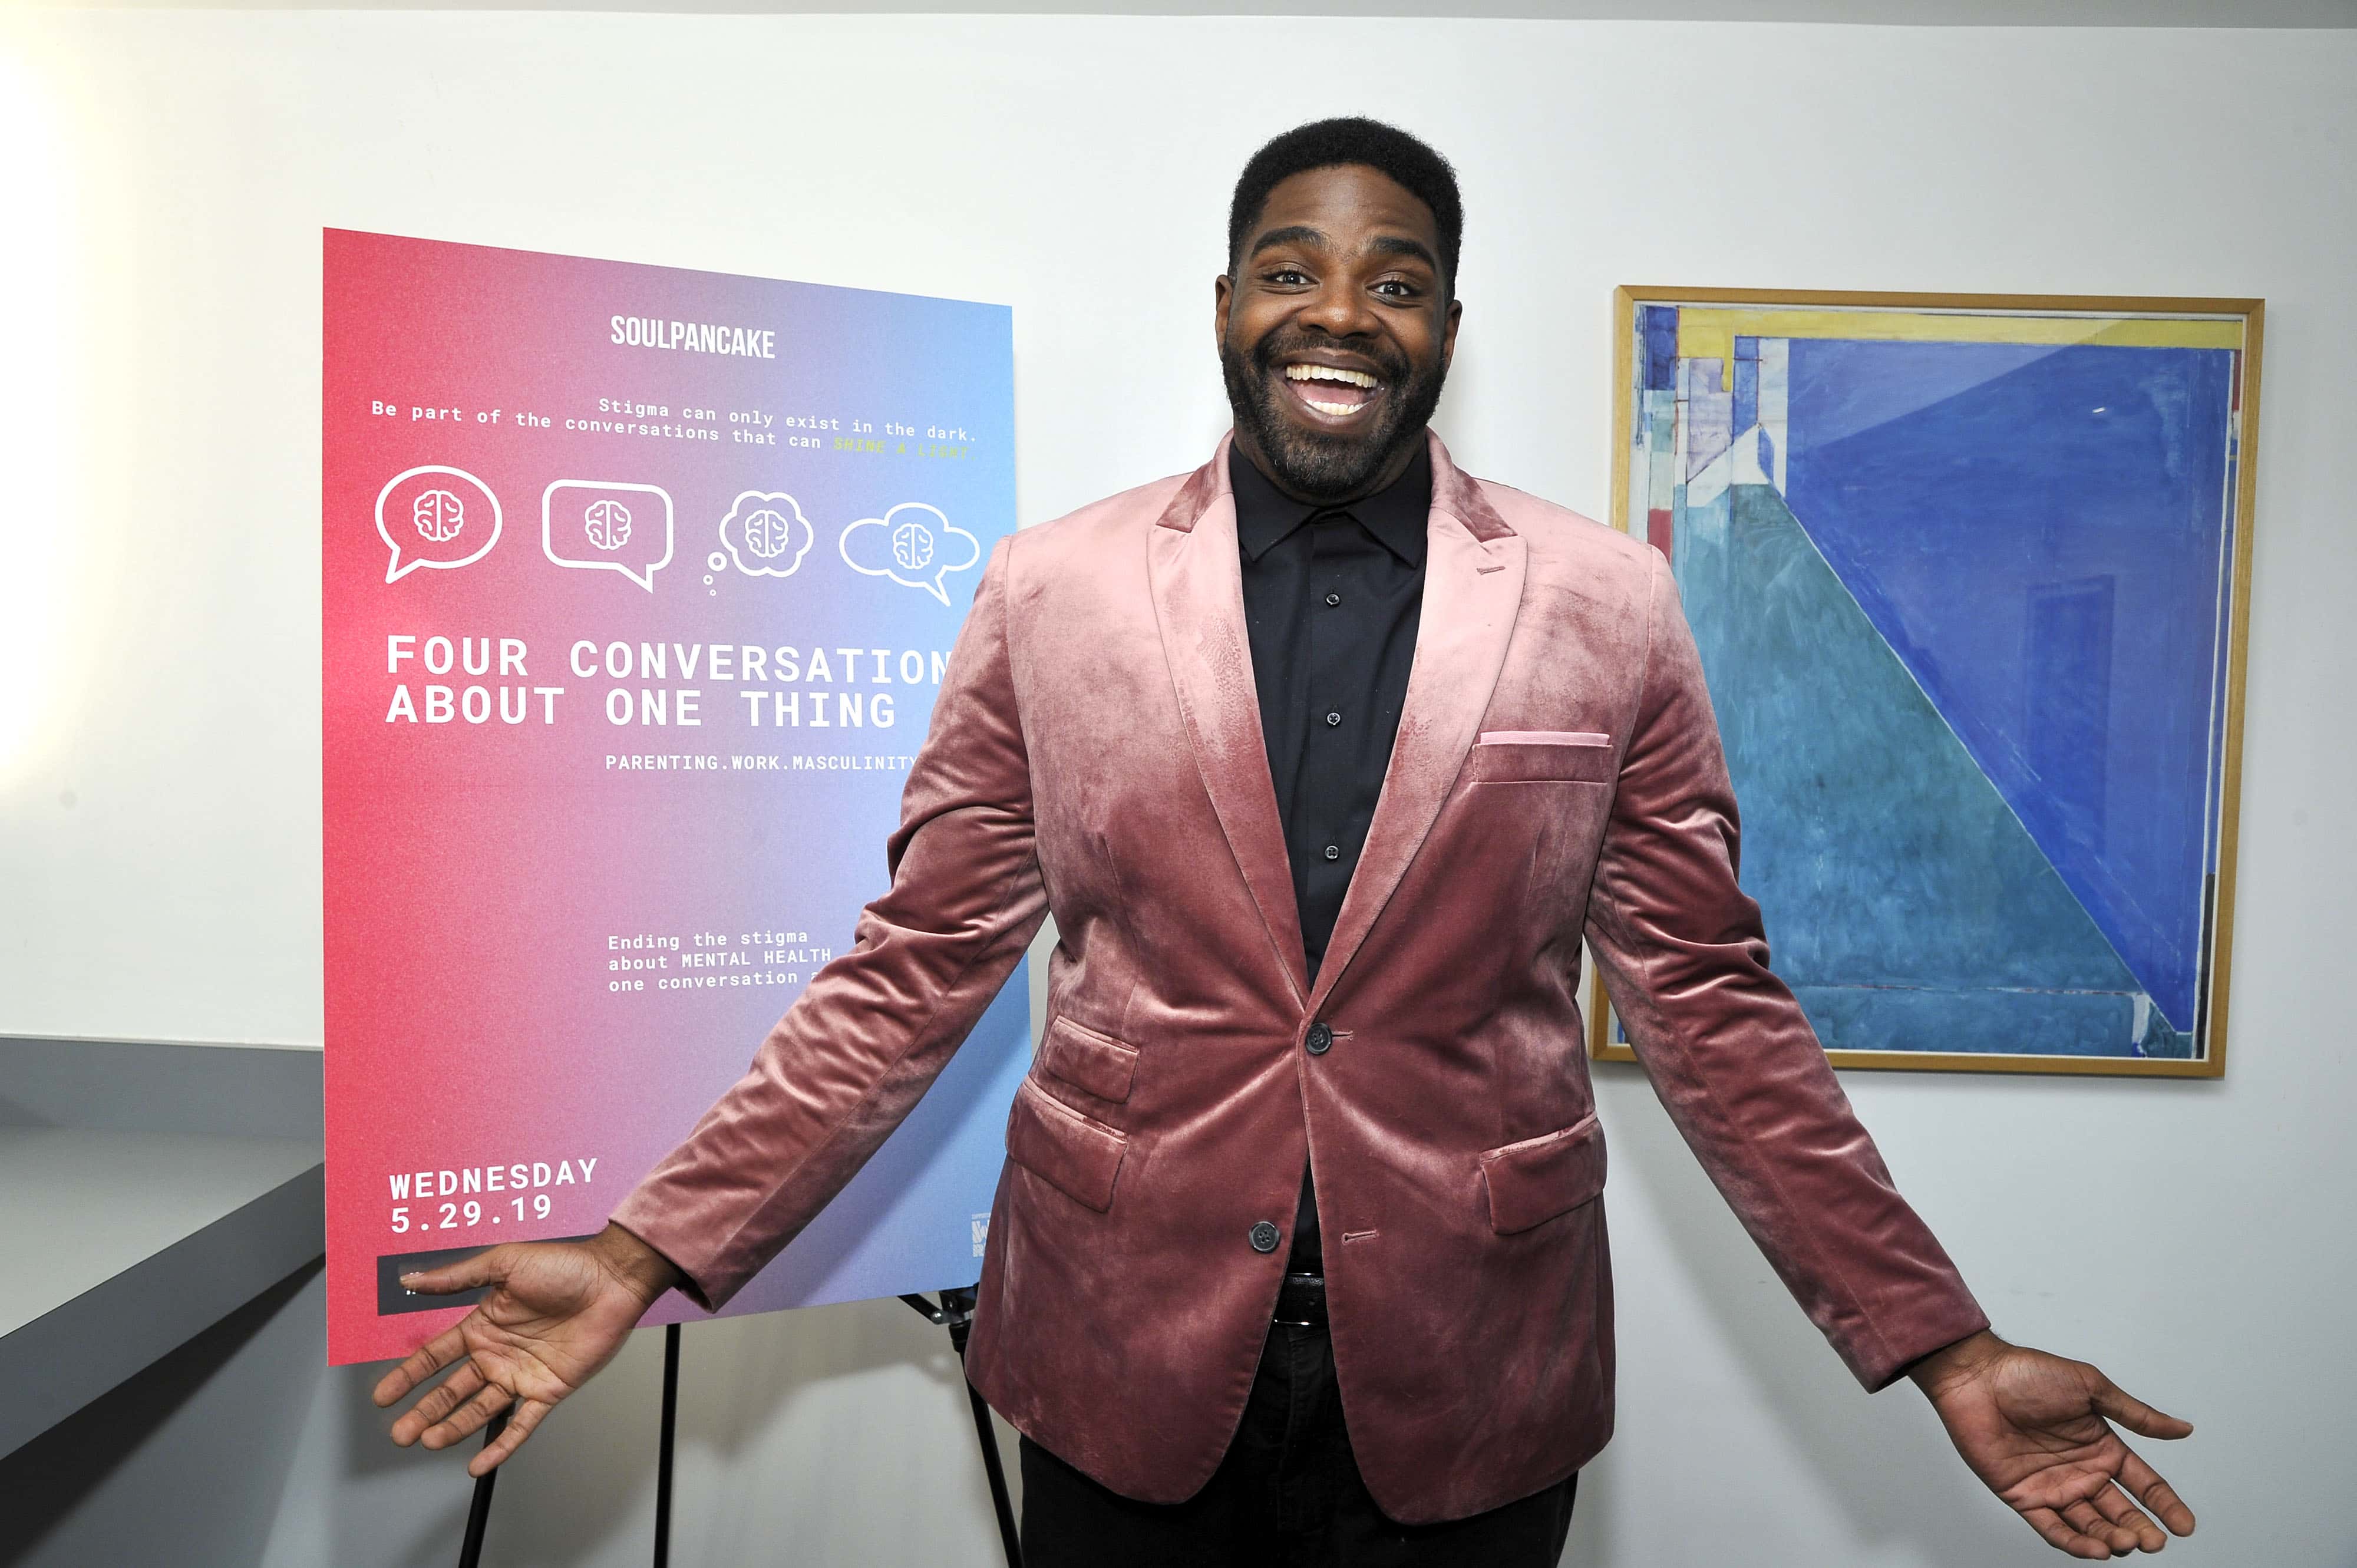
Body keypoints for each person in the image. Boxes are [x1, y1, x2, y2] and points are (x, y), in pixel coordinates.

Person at [377, 118, 2197, 1564]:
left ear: (1448, 330)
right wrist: (644, 1252)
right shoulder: (1052, 590)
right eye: (1291, 269)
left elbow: (1712, 1007)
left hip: (1478, 1371)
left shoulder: (1607, 605)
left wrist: (1940, 1342)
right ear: (1226, 305)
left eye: (1396, 281)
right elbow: (913, 971)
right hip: (1117, 1353)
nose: (1342, 312)